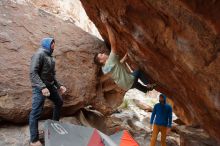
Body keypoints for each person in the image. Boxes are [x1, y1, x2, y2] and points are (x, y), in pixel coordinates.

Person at [94, 14, 156, 93]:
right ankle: (148, 84)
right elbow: (113, 44)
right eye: (101, 55)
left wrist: (124, 58)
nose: (103, 54)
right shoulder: (110, 60)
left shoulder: (105, 68)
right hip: (128, 81)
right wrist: (106, 24)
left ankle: (145, 90)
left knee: (133, 82)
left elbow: (117, 65)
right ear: (101, 61)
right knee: (138, 72)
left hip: (124, 86)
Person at [29, 37, 66, 146]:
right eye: (52, 44)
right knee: (35, 113)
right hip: (40, 88)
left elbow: (52, 75)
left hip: (49, 86)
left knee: (59, 102)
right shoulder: (39, 54)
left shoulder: (51, 57)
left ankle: (54, 125)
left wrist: (59, 86)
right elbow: (33, 73)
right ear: (47, 44)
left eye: (54, 44)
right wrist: (42, 87)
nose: (54, 45)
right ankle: (34, 140)